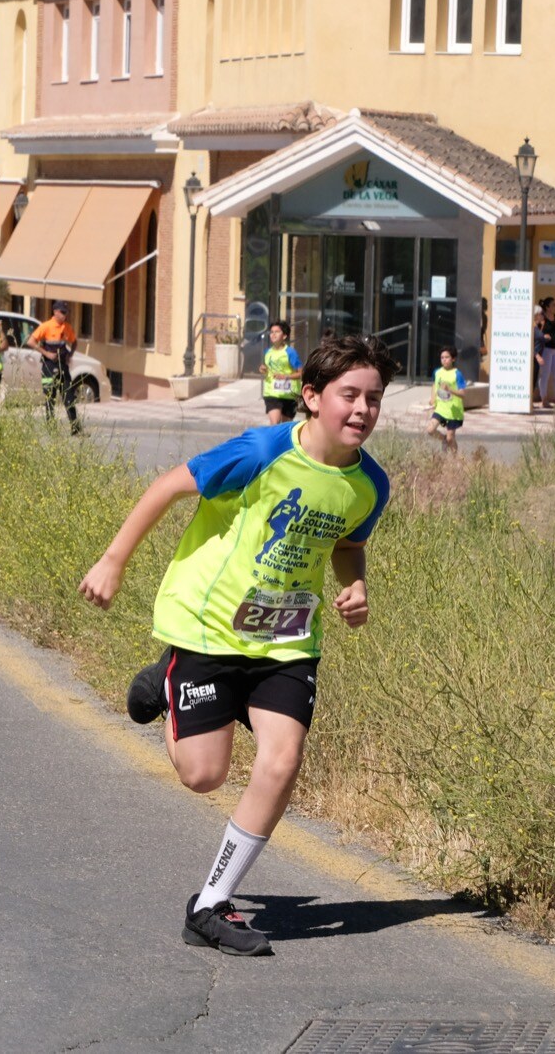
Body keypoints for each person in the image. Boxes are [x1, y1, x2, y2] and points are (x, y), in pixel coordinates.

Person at [78, 334, 396, 957]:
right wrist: (113, 561)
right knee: (204, 775)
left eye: (374, 399)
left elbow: (348, 541)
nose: (362, 410)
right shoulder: (263, 451)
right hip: (209, 629)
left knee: (281, 760)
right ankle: (165, 680)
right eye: (349, 395)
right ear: (311, 397)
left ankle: (211, 904)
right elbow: (170, 486)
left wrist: (354, 586)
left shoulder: (370, 485)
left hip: (287, 640)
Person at [30, 300, 81, 434]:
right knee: (50, 398)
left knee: (69, 396)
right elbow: (31, 341)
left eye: (66, 313)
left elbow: (74, 342)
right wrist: (46, 353)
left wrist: (71, 354)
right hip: (49, 366)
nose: (65, 315)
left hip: (63, 366)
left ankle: (75, 428)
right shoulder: (46, 326)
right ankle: (51, 429)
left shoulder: (67, 327)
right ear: (55, 312)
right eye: (62, 312)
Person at [424, 345, 467, 453]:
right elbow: (435, 385)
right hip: (441, 409)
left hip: (454, 411)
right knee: (430, 430)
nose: (444, 360)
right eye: (442, 357)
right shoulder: (437, 372)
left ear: (453, 359)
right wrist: (432, 398)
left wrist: (450, 389)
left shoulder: (457, 374)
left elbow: (463, 393)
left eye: (447, 357)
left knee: (450, 438)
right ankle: (443, 439)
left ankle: (454, 460)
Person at [260, 321, 303, 425]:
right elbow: (266, 370)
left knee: (285, 427)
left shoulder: (290, 352)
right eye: (271, 332)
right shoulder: (267, 352)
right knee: (275, 424)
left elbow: (301, 373)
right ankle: (273, 440)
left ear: (284, 336)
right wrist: (263, 370)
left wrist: (285, 376)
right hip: (271, 393)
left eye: (277, 332)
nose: (273, 334)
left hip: (289, 394)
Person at [535, 296, 555, 408]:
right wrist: (542, 340)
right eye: (553, 305)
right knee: (545, 375)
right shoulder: (543, 320)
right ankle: (544, 399)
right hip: (546, 350)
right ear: (547, 307)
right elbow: (537, 333)